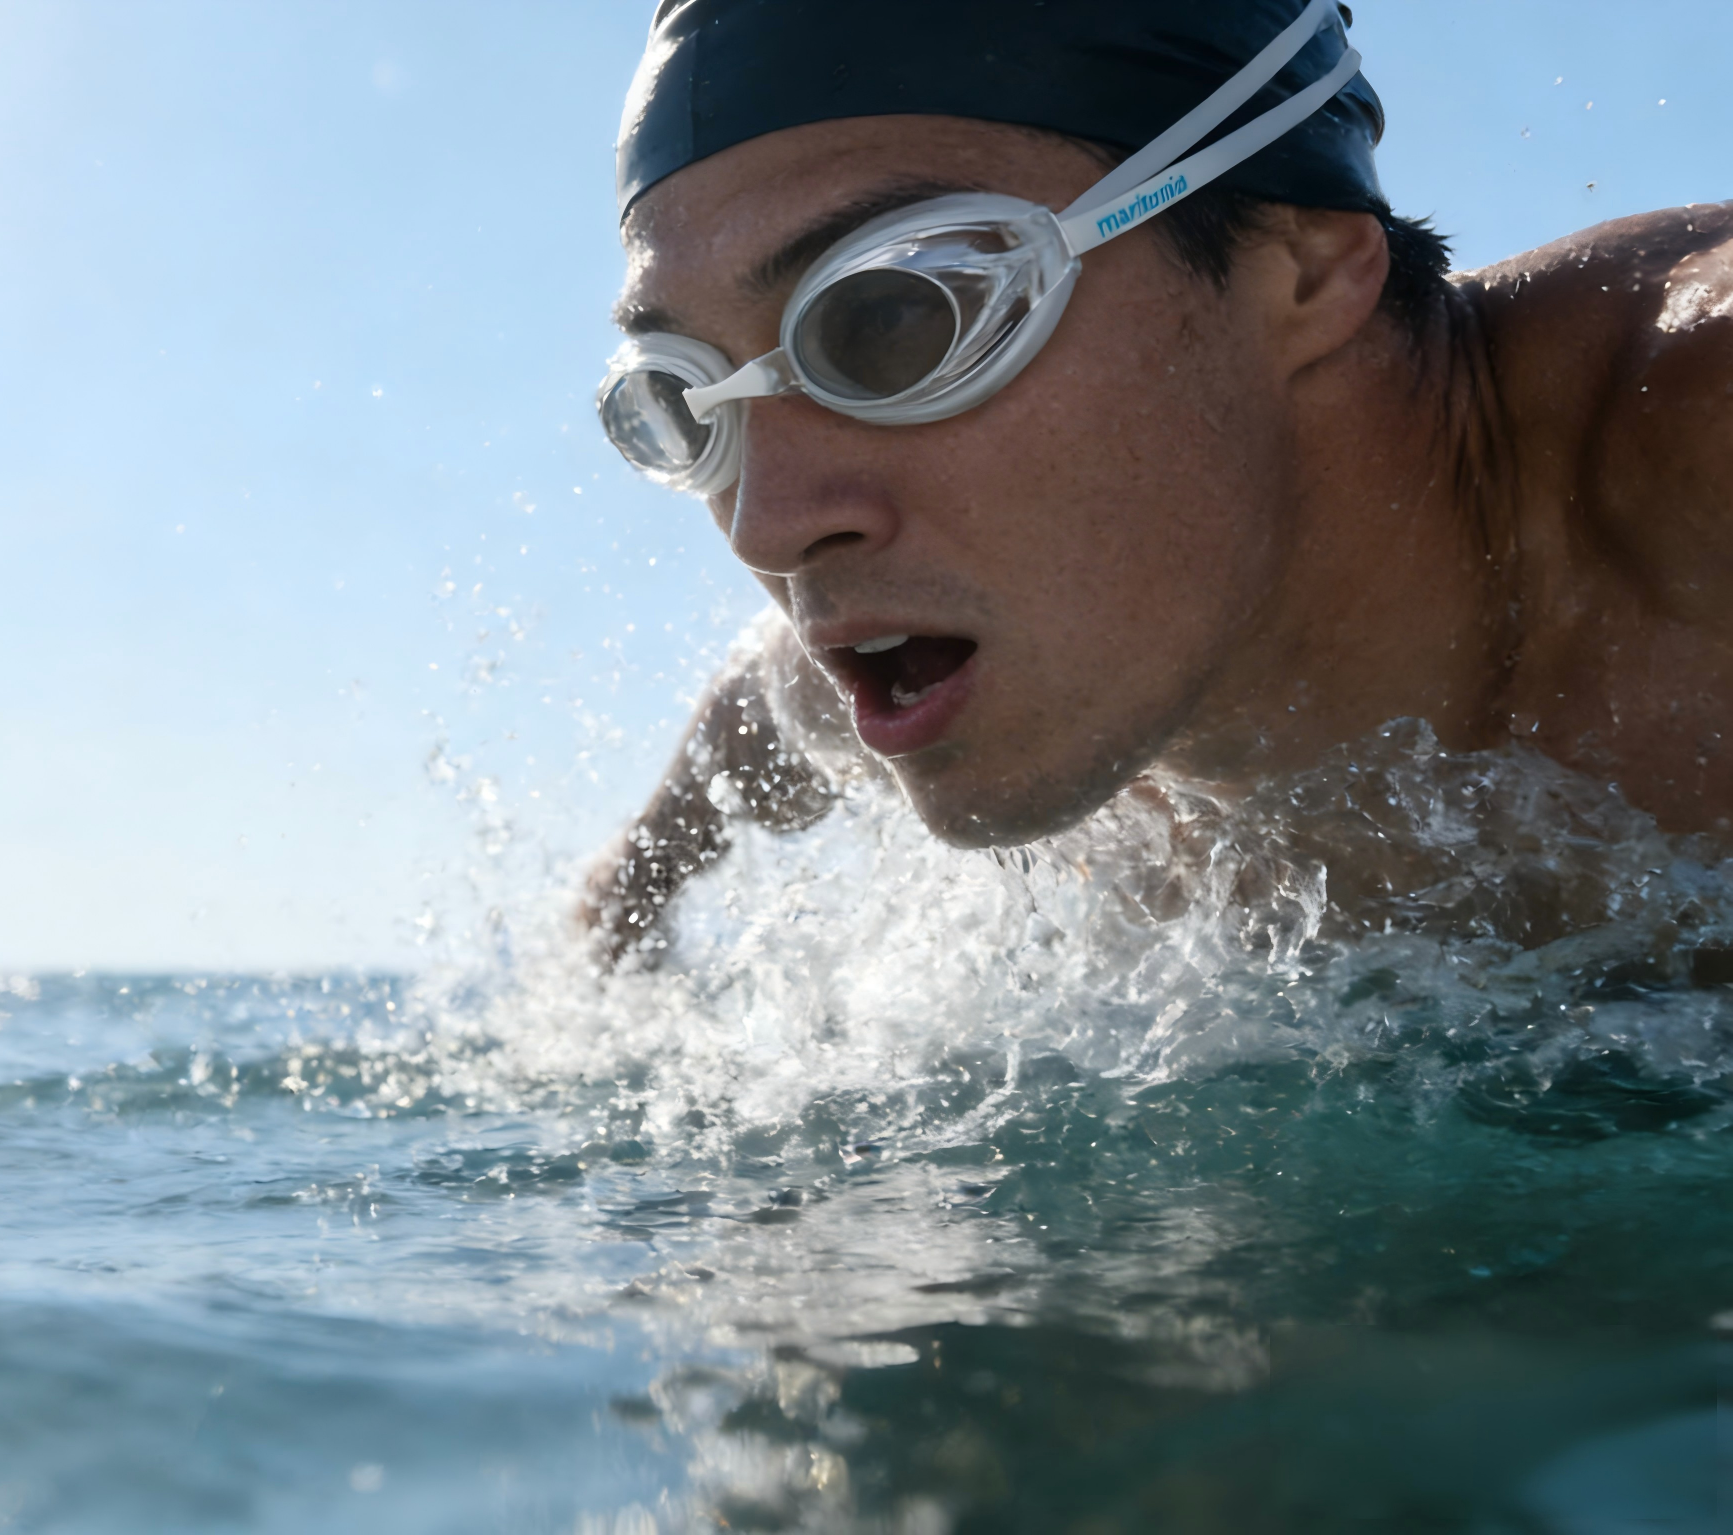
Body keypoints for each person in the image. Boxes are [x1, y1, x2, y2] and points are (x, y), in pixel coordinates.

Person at [578, 0, 1733, 966]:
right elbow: (757, 720)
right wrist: (624, 900)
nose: (769, 528)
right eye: (685, 398)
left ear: (1304, 261)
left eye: (897, 320)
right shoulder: (984, 634)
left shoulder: (1694, 438)